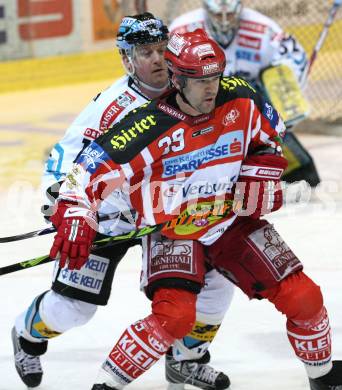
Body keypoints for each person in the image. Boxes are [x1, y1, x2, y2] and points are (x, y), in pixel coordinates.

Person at [47, 29, 342, 390]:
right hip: (173, 231)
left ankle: (324, 379)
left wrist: (257, 174)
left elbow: (272, 135)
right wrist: (77, 212)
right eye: (199, 80)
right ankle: (105, 385)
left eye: (215, 77)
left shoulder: (242, 96)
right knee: (175, 316)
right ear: (176, 76)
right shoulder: (147, 124)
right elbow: (87, 171)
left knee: (304, 297)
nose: (211, 88)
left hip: (230, 222)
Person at [11, 13, 232, 390]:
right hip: (110, 220)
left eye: (163, 49)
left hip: (166, 216)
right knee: (73, 309)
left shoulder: (190, 89)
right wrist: (68, 212)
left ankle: (185, 358)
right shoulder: (110, 108)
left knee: (215, 283)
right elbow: (65, 162)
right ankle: (27, 334)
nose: (158, 59)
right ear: (126, 59)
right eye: (146, 52)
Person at [169, 0, 320, 188]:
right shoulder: (181, 30)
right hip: (203, 113)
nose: (224, 20)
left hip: (254, 109)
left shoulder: (264, 28)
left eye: (230, 14)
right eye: (218, 15)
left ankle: (282, 167)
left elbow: (294, 62)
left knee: (305, 180)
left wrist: (286, 102)